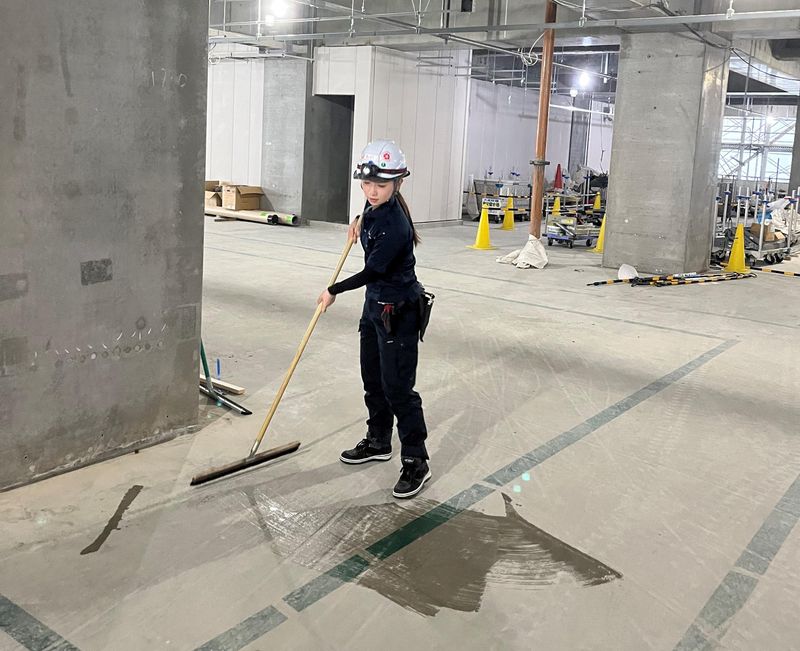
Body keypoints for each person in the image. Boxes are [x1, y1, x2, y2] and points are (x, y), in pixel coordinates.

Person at [317, 139, 431, 499]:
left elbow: (373, 270)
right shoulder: (375, 206)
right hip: (374, 308)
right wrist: (357, 219)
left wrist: (333, 289)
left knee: (399, 389)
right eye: (366, 183)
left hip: (398, 311)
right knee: (373, 379)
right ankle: (379, 440)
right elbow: (369, 210)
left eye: (380, 185)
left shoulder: (395, 225)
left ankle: (416, 460)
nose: (371, 191)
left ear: (398, 183)